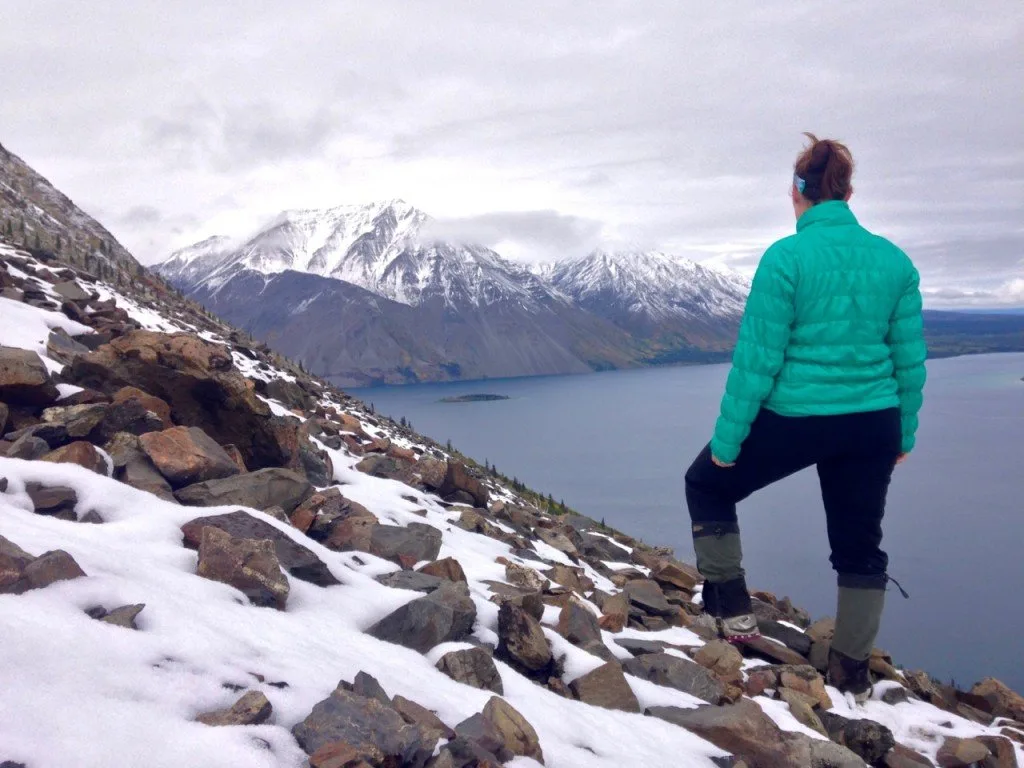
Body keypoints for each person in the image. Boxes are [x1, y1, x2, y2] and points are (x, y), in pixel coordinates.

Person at [684, 133, 927, 702]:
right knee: (860, 543)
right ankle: (851, 671)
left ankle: (732, 616)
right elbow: (909, 363)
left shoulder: (785, 258)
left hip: (798, 417)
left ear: (799, 191)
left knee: (706, 484)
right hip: (872, 421)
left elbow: (756, 362)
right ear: (847, 193)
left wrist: (728, 441)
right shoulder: (896, 261)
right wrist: (903, 433)